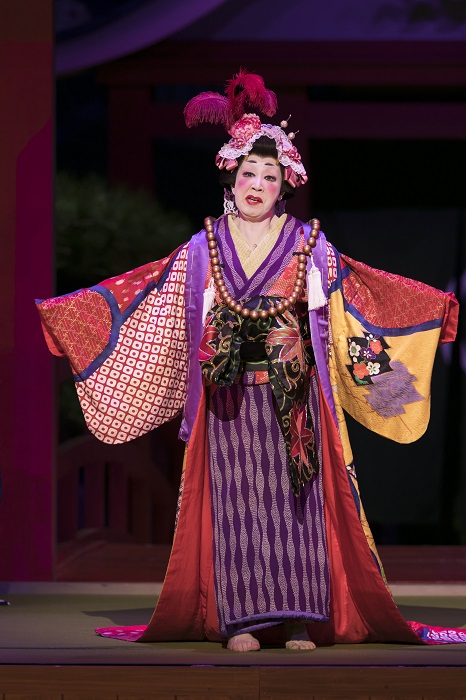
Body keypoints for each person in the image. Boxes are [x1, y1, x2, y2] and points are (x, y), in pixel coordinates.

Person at [37, 70, 464, 651]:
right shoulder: (203, 248)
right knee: (238, 507)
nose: (257, 184)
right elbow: (147, 293)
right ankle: (242, 621)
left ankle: (298, 618)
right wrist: (77, 315)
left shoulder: (309, 245)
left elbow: (355, 295)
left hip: (294, 398)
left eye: (269, 175)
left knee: (297, 504)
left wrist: (428, 309)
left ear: (284, 185)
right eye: (248, 173)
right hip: (229, 399)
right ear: (230, 178)